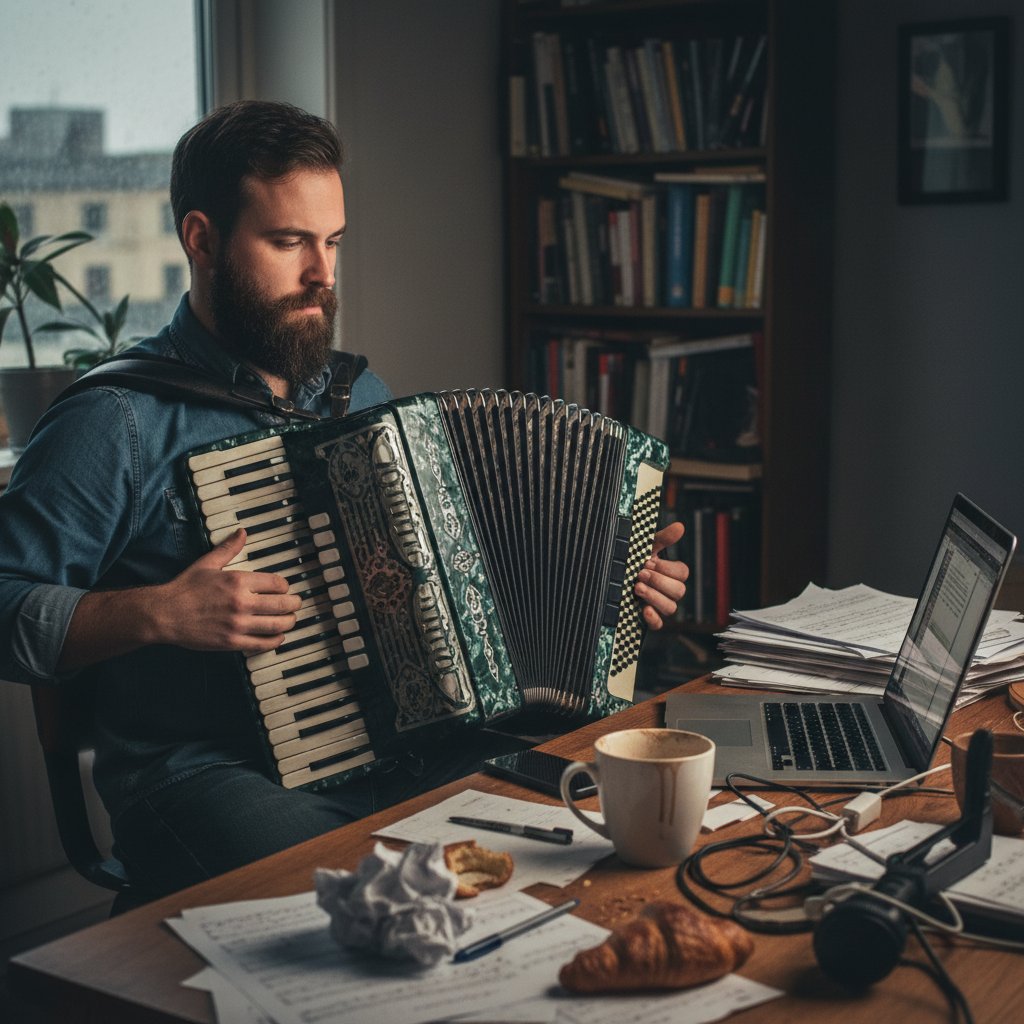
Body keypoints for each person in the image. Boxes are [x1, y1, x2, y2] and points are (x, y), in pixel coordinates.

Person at [0, 100, 688, 901]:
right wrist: (157, 613)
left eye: (332, 243)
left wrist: (607, 591)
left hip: (402, 755)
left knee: (601, 828)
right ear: (202, 238)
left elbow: (456, 606)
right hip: (206, 777)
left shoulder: (359, 396)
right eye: (289, 242)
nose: (322, 274)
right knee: (379, 904)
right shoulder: (114, 419)